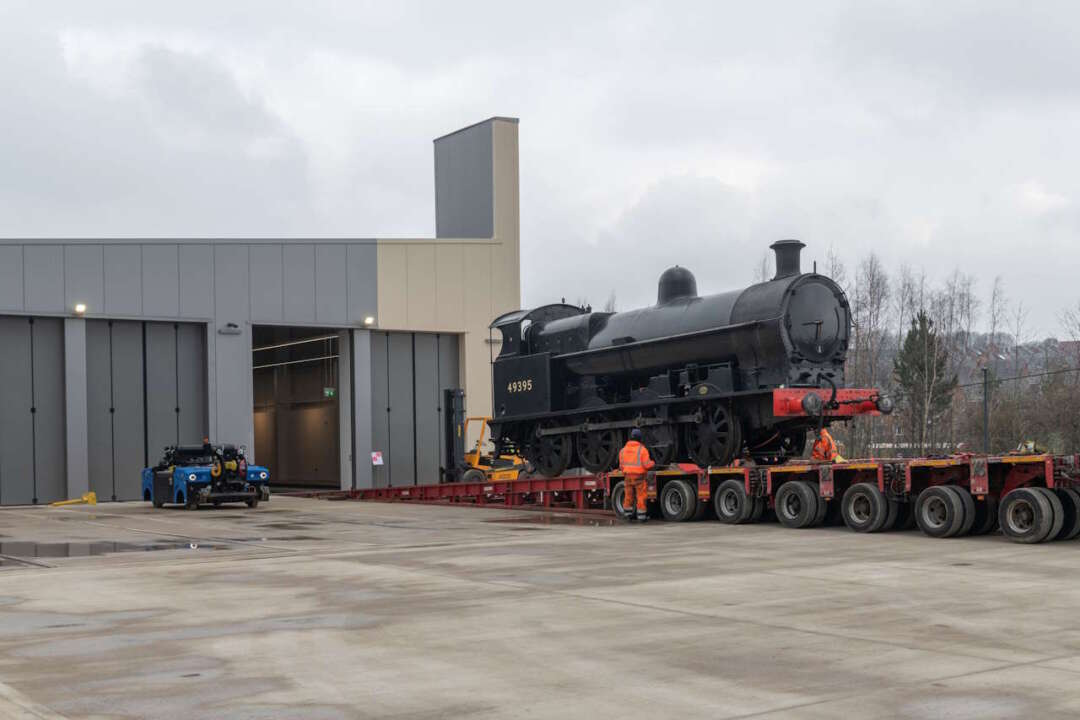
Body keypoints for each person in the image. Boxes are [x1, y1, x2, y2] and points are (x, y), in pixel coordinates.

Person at [618, 429, 655, 522]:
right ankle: (641, 517)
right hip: (639, 478)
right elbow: (647, 465)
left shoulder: (622, 451)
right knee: (641, 497)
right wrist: (653, 463)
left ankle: (627, 515)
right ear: (640, 438)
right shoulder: (642, 450)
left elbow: (621, 466)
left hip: (627, 477)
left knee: (628, 496)